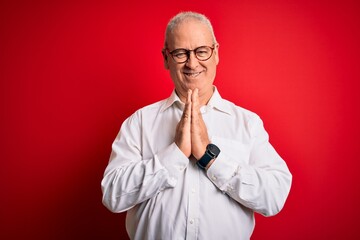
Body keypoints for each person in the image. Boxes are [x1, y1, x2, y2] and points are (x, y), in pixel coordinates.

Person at [101, 11, 292, 240]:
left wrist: (210, 158)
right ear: (166, 58)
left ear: (216, 53)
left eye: (202, 51)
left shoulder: (247, 123)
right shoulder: (139, 123)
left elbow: (274, 196)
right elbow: (113, 195)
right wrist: (175, 154)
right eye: (181, 53)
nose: (192, 63)